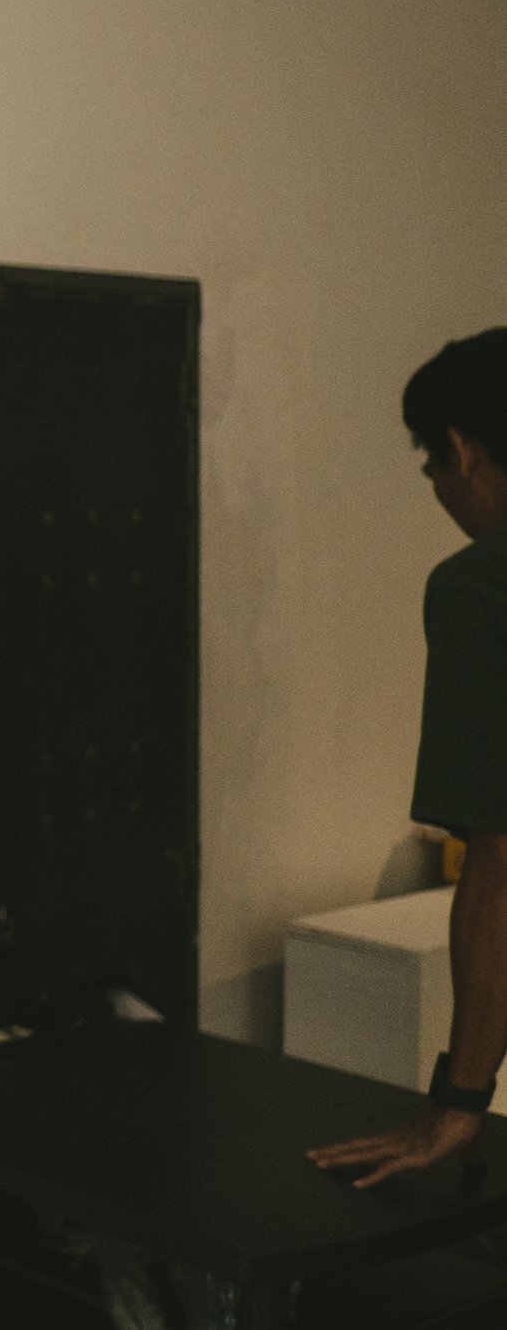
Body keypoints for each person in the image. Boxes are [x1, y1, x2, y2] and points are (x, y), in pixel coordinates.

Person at [312, 328, 507, 1187]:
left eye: (433, 466)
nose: (439, 490)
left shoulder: (476, 588)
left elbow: (500, 860)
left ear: (462, 449)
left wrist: (459, 1098)